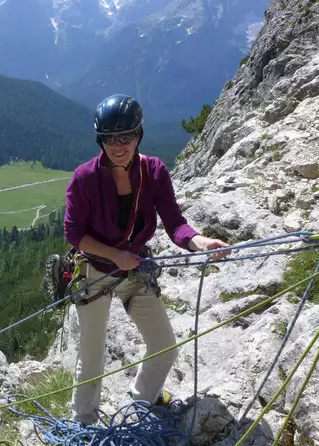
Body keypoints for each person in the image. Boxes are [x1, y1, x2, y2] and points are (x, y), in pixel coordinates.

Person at [62, 93, 230, 425]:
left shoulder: (153, 172)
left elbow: (175, 222)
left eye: (125, 136)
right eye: (110, 138)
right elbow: (73, 233)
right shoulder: (85, 178)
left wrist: (198, 242)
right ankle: (83, 424)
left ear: (138, 135)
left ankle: (140, 403)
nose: (118, 144)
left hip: (135, 269)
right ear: (101, 140)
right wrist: (115, 255)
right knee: (91, 354)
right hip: (96, 270)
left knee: (165, 346)